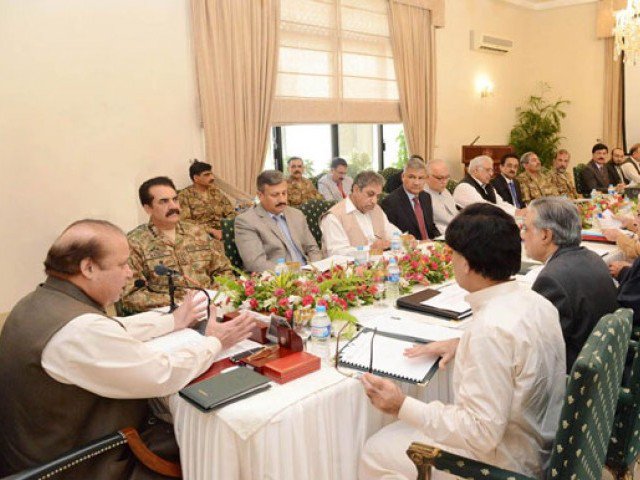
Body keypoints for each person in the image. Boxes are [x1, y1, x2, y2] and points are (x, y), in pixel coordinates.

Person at [0, 219, 255, 479]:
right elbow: (161, 374)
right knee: (212, 444)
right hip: (83, 463)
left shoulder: (41, 301)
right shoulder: (77, 331)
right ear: (88, 268)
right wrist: (214, 341)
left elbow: (113, 327)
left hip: (40, 448)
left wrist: (174, 320)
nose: (130, 273)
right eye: (122, 264)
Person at [359, 203, 565, 480]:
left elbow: (481, 433)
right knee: (398, 434)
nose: (452, 261)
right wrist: (462, 342)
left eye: (453, 254)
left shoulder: (490, 330)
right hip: (539, 443)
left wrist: (400, 405)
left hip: (505, 464)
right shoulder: (537, 302)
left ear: (466, 264)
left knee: (375, 451)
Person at [521, 197, 619, 372]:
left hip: (575, 378)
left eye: (526, 228)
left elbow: (536, 351)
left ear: (546, 235)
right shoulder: (593, 257)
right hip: (606, 365)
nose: (522, 234)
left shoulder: (551, 280)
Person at [122, 177, 233, 313]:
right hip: (169, 317)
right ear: (148, 208)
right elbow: (131, 296)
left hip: (212, 307)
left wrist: (212, 296)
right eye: (164, 202)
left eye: (175, 199)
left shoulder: (197, 232)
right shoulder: (135, 242)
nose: (173, 206)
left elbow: (224, 270)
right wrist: (178, 303)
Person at [235, 170, 322, 272]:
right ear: (260, 195)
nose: (282, 200)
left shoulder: (296, 214)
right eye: (275, 195)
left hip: (310, 273)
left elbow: (313, 248)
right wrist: (296, 274)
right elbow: (256, 264)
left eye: (284, 193)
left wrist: (315, 269)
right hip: (278, 280)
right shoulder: (246, 221)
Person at [320, 170, 400, 256]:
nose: (374, 201)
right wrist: (370, 248)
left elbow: (391, 231)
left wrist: (404, 239)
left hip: (379, 264)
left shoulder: (376, 209)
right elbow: (337, 253)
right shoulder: (334, 216)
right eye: (370, 194)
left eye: (377, 196)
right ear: (356, 189)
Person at [178, 160, 236, 246]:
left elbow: (231, 212)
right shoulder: (184, 195)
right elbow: (185, 222)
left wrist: (227, 228)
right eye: (207, 175)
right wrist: (211, 230)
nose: (212, 177)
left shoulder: (216, 192)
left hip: (223, 232)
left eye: (211, 174)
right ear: (196, 178)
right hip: (200, 235)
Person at [380, 157, 439, 240]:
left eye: (421, 178)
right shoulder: (390, 202)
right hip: (410, 249)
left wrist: (441, 240)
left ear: (426, 179)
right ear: (403, 177)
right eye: (412, 177)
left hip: (430, 247)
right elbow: (393, 236)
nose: (416, 183)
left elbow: (431, 226)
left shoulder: (426, 197)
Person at [453, 155, 524, 217]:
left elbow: (501, 203)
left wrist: (517, 211)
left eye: (492, 170)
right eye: (488, 170)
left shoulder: (488, 186)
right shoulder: (464, 187)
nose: (491, 173)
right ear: (475, 170)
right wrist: (515, 213)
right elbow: (484, 208)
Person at [424, 159, 459, 234]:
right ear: (426, 177)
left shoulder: (445, 191)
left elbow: (455, 213)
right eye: (439, 178)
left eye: (447, 177)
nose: (444, 181)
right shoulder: (422, 196)